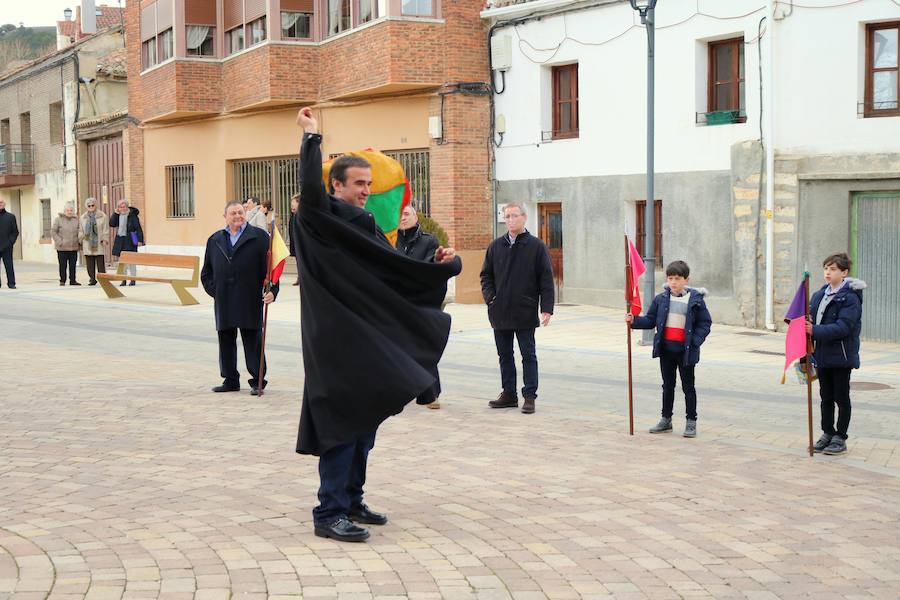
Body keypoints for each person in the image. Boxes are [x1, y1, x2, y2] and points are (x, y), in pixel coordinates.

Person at [293, 107, 460, 543]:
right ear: (336, 186)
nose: (366, 191)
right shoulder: (316, 219)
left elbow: (389, 272)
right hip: (333, 338)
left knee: (365, 421)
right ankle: (328, 512)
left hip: (365, 335)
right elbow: (309, 189)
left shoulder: (364, 224)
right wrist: (312, 137)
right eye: (358, 184)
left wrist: (441, 264)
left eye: (369, 184)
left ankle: (351, 499)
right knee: (340, 423)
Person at [480, 202, 554, 415]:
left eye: (514, 216)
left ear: (524, 218)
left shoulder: (536, 246)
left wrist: (546, 307)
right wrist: (490, 298)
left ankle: (529, 395)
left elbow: (546, 279)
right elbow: (486, 275)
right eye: (507, 216)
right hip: (500, 311)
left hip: (525, 310)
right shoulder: (495, 246)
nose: (510, 220)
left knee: (528, 354)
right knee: (504, 355)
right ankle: (508, 394)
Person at [626, 260, 712, 437]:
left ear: (686, 280)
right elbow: (650, 320)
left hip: (686, 351)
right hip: (666, 350)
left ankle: (691, 421)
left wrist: (695, 341)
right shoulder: (661, 299)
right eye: (671, 278)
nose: (674, 282)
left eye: (678, 278)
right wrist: (634, 321)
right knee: (667, 386)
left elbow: (705, 323)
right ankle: (666, 419)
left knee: (688, 387)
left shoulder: (696, 300)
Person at [201, 201, 278, 396]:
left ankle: (257, 380)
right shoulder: (215, 239)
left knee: (253, 339)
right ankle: (230, 380)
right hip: (224, 297)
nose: (238, 216)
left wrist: (273, 291)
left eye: (240, 212)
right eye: (233, 213)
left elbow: (272, 269)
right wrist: (215, 291)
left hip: (250, 297)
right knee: (225, 337)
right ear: (225, 216)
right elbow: (206, 272)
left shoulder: (260, 237)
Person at [807, 253, 865, 455]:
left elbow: (843, 327)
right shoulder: (819, 295)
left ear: (844, 272)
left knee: (841, 397)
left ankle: (840, 436)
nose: (828, 273)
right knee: (826, 397)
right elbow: (811, 319)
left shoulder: (850, 298)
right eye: (825, 269)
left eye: (833, 269)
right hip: (821, 355)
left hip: (841, 356)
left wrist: (814, 330)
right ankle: (827, 432)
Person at [395, 203, 443, 409]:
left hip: (421, 304)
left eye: (406, 214)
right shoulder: (391, 240)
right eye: (400, 215)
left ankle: (431, 394)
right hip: (396, 303)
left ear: (416, 217)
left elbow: (428, 268)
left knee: (423, 350)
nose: (403, 218)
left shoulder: (428, 241)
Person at [109, 199, 144, 286]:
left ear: (127, 207)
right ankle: (123, 279)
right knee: (122, 261)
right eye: (120, 207)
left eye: (124, 206)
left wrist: (140, 240)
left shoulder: (132, 216)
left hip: (130, 240)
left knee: (132, 261)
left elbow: (138, 228)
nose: (122, 208)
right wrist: (115, 214)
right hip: (120, 240)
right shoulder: (118, 215)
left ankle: (133, 279)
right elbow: (112, 224)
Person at [80, 198, 109, 286]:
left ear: (96, 205)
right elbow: (81, 230)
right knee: (89, 262)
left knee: (100, 262)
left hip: (99, 242)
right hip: (87, 242)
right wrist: (80, 238)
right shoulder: (83, 217)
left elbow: (105, 229)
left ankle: (103, 279)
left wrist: (105, 239)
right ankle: (92, 279)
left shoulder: (102, 216)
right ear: (86, 207)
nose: (91, 207)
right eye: (89, 206)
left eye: (92, 205)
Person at [51, 202, 82, 286]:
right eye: (68, 210)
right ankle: (62, 280)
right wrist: (59, 241)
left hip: (73, 247)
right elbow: (53, 231)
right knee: (63, 265)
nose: (69, 212)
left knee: (73, 265)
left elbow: (80, 230)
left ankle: (73, 280)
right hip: (62, 247)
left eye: (71, 210)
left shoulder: (76, 220)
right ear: (64, 211)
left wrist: (80, 240)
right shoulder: (58, 219)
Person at [0, 198, 18, 289]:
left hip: (7, 246)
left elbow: (15, 232)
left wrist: (10, 242)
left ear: (5, 204)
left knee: (9, 265)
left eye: (1, 202)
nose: (0, 204)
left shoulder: (11, 217)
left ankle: (11, 283)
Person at [288, 194, 301, 286]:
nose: (292, 206)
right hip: (295, 242)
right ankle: (299, 277)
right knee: (298, 261)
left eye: (294, 203)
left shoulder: (302, 216)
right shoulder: (293, 216)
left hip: (302, 243)